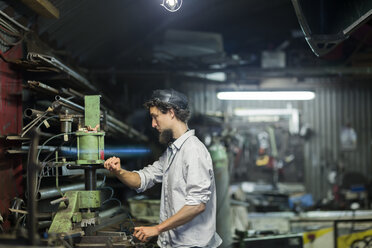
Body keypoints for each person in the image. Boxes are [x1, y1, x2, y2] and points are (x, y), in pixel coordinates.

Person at [104, 89, 222, 248]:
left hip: (191, 245)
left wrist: (157, 229)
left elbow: (197, 204)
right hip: (173, 243)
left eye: (155, 117)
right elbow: (142, 179)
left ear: (171, 112)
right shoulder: (172, 153)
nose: (153, 124)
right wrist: (119, 171)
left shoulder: (193, 151)